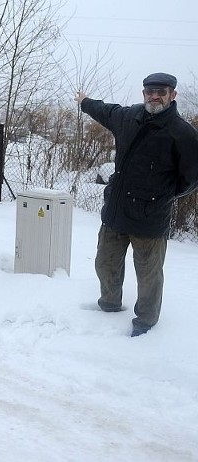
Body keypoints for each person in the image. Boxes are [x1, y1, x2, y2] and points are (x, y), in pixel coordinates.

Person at [75, 72, 198, 337]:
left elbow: (191, 178)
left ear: (172, 95)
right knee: (104, 263)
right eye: (149, 91)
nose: (154, 96)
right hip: (116, 211)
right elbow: (103, 110)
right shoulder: (128, 117)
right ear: (143, 94)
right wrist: (84, 101)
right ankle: (109, 304)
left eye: (161, 92)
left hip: (150, 218)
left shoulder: (183, 134)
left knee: (148, 276)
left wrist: (163, 194)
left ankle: (145, 322)